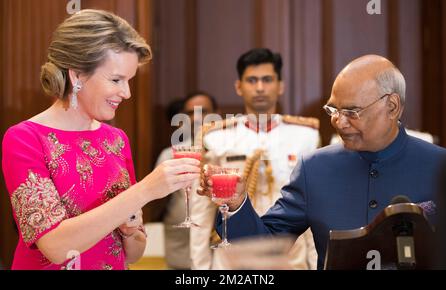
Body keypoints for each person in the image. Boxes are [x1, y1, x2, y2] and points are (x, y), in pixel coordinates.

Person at [199, 54, 446, 270]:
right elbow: (263, 246)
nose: (339, 122)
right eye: (333, 110)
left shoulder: (442, 166)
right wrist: (237, 204)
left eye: (352, 112)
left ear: (392, 106)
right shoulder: (314, 169)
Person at [1, 9, 200, 270]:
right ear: (77, 75)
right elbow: (56, 247)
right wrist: (145, 191)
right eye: (116, 79)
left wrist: (130, 231)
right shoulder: (24, 138)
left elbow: (133, 254)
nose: (126, 93)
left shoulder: (116, 139)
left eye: (128, 81)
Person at [190, 48, 321, 270]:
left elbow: (314, 208)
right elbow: (201, 210)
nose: (260, 87)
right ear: (239, 87)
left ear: (280, 85)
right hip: (232, 258)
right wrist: (201, 268)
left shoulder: (306, 136)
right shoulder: (216, 137)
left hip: (289, 256)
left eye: (267, 80)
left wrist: (317, 262)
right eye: (252, 80)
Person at [154, 91, 218, 269]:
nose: (197, 117)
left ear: (216, 114)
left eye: (204, 111)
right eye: (190, 112)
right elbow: (157, 201)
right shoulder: (170, 154)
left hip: (220, 242)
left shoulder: (228, 150)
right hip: (180, 246)